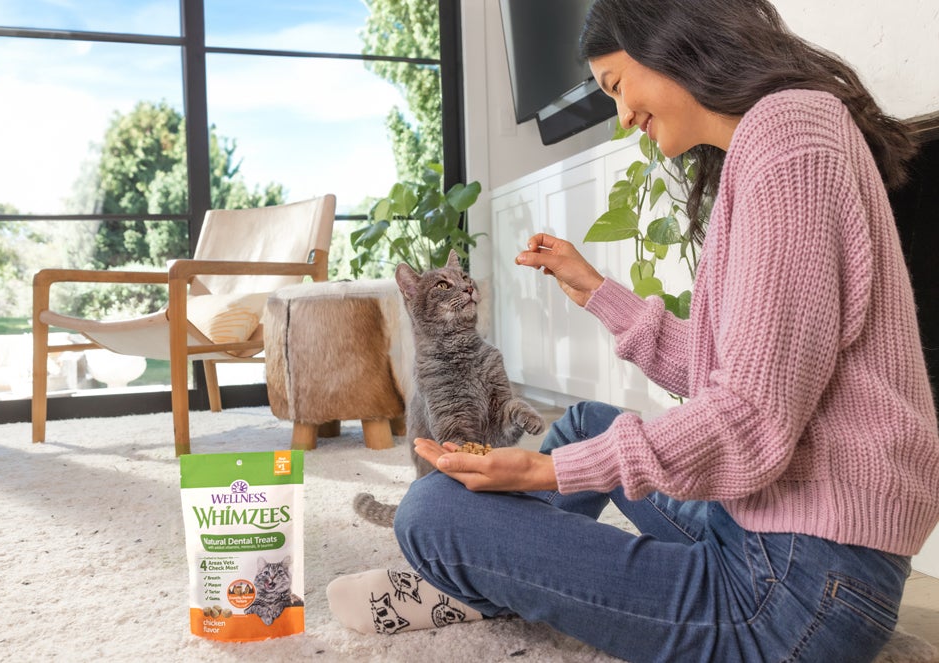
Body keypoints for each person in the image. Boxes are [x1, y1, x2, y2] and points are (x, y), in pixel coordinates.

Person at [326, 0, 939, 660]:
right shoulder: (780, 135)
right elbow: (723, 370)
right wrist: (593, 289)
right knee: (589, 420)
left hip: (793, 591)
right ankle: (497, 573)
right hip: (778, 534)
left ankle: (480, 578)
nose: (621, 117)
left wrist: (546, 469)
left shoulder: (788, 141)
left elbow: (751, 418)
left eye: (617, 87)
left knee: (431, 514)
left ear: (675, 42)